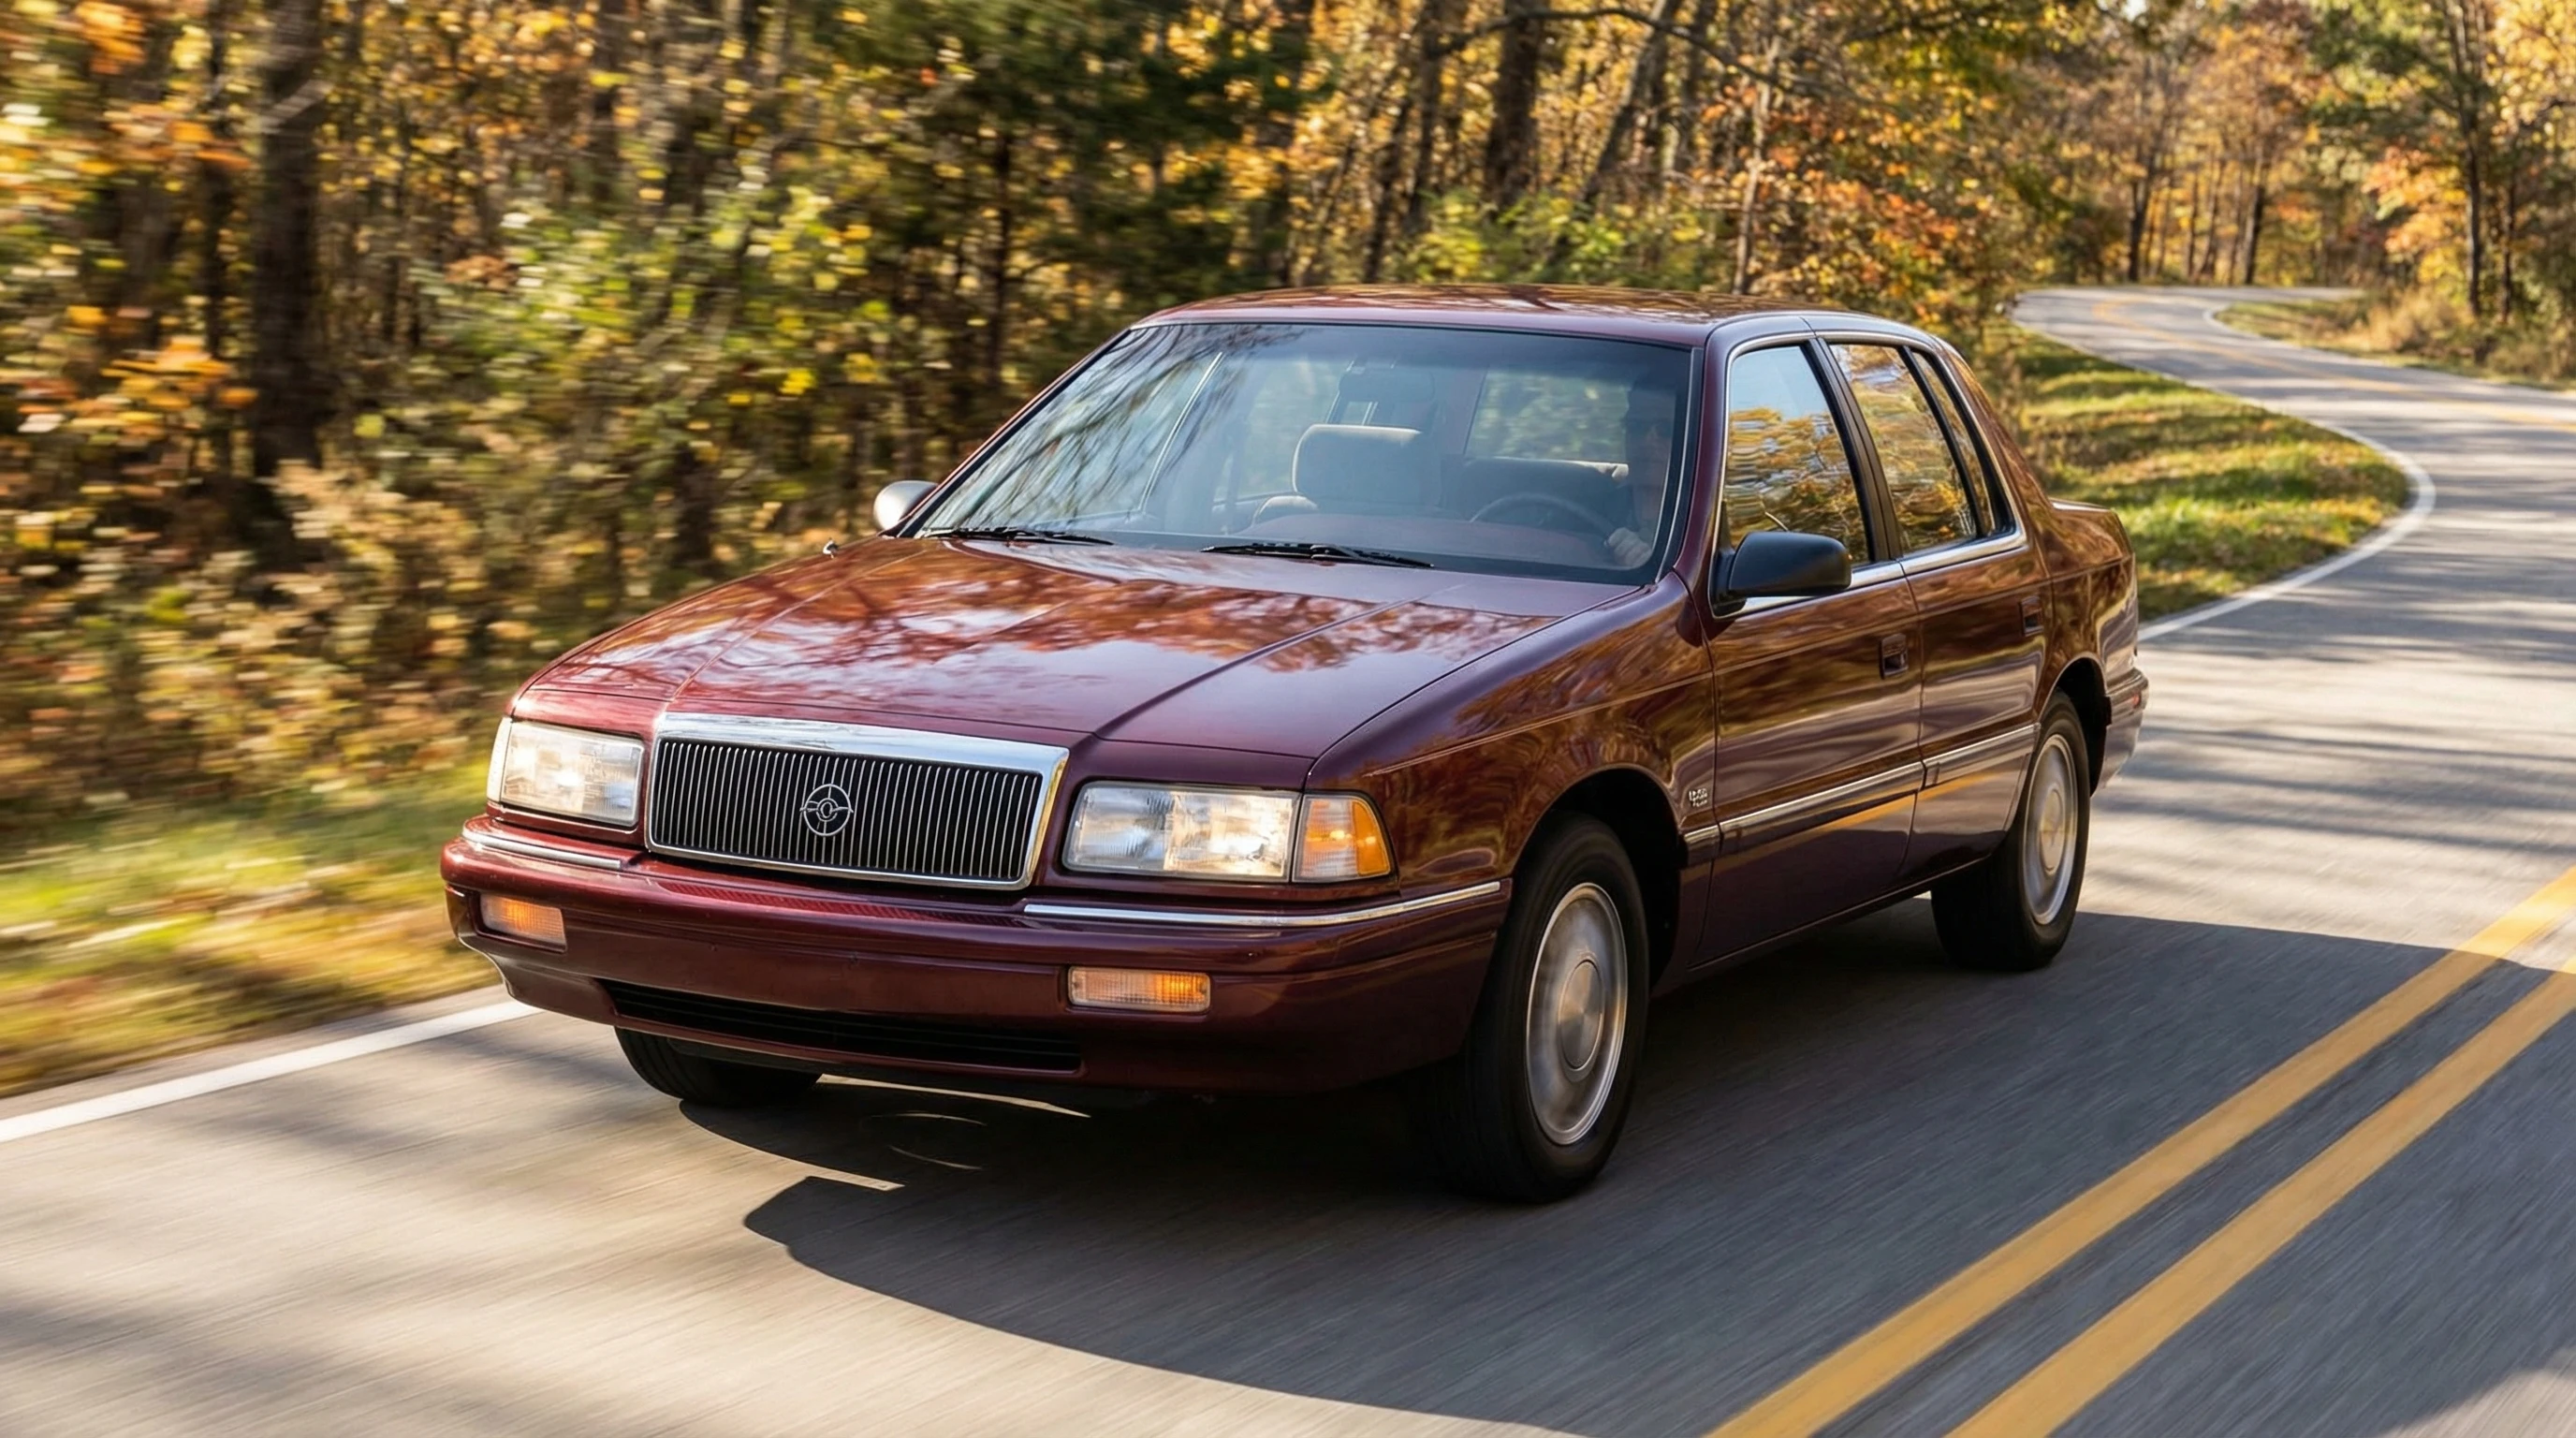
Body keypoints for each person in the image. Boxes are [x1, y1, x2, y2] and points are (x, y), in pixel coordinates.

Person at [1603, 381, 1676, 566]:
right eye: (1636, 427)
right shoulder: (1594, 506)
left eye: (1665, 430)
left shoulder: (1710, 525)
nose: (1647, 441)